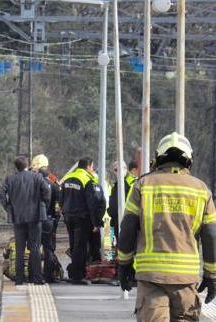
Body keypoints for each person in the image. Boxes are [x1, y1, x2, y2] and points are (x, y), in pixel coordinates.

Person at [117, 132, 216, 321]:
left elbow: (128, 227)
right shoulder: (201, 190)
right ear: (189, 160)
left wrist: (124, 264)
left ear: (158, 158)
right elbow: (211, 234)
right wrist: (211, 274)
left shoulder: (143, 185)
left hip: (151, 276)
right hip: (185, 278)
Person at [0, 156, 51, 285]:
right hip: (35, 217)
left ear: (16, 166)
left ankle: (19, 279)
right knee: (35, 248)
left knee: (19, 249)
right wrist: (43, 204)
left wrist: (8, 207)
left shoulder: (10, 179)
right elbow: (47, 191)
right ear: (27, 165)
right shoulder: (37, 177)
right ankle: (37, 278)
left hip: (18, 217)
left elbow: (1, 192)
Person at [60, 157, 102, 284]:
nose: (92, 169)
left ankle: (74, 272)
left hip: (68, 216)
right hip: (82, 218)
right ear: (89, 166)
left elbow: (61, 198)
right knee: (81, 246)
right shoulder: (87, 180)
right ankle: (78, 275)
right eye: (92, 166)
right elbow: (92, 203)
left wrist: (64, 211)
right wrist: (95, 222)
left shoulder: (68, 178)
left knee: (73, 244)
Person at [31, 154, 61, 283]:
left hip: (35, 220)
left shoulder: (31, 184)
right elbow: (58, 206)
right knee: (48, 248)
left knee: (34, 247)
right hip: (49, 220)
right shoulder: (54, 185)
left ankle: (34, 275)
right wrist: (55, 220)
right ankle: (48, 276)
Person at [108, 160, 139, 243]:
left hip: (127, 220)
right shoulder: (118, 184)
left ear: (125, 169)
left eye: (117, 169)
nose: (116, 172)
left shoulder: (130, 182)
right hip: (119, 220)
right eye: (114, 170)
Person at [87, 171, 107, 263]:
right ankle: (95, 267)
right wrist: (97, 222)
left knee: (88, 247)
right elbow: (102, 205)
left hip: (86, 221)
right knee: (95, 247)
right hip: (96, 221)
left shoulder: (87, 186)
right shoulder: (98, 186)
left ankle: (89, 269)